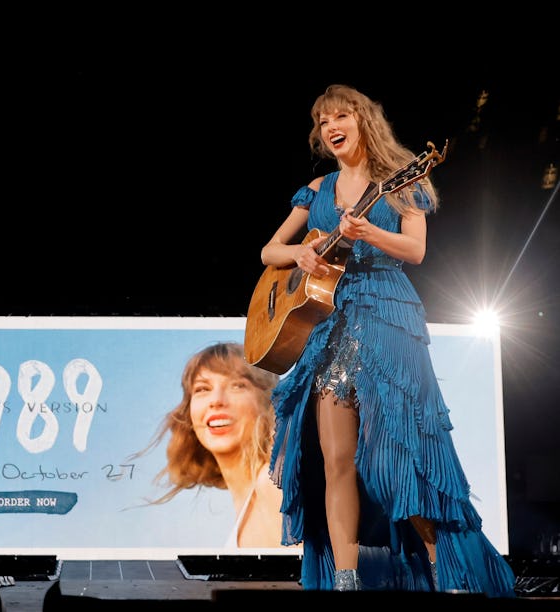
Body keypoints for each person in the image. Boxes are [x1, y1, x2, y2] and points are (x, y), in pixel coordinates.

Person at [260, 84, 517, 595]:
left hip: (389, 320)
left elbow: (416, 250)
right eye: (323, 120)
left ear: (363, 121)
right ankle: (346, 580)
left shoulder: (401, 180)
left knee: (403, 455)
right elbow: (270, 250)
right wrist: (301, 256)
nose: (331, 126)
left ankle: (450, 574)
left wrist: (370, 234)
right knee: (335, 460)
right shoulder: (316, 190)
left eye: (341, 116)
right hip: (330, 327)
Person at [131, 342, 286, 548]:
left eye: (237, 385)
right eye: (202, 389)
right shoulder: (254, 499)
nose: (216, 400)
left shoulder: (274, 484)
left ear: (268, 402)